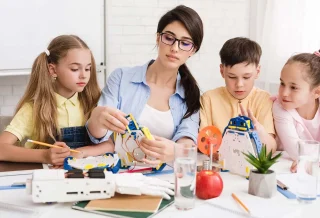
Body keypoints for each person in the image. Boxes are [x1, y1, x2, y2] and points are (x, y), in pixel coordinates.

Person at [86, 5, 204, 165]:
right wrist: (96, 119)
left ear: (193, 50)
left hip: (164, 180)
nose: (175, 48)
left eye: (185, 43)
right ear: (158, 38)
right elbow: (100, 137)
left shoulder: (190, 95)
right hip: (119, 175)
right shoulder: (121, 78)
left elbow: (187, 140)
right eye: (169, 38)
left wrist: (176, 151)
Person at [0, 35, 114, 167]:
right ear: (53, 70)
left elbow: (109, 145)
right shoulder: (34, 108)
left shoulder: (93, 104)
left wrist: (81, 152)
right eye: (75, 69)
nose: (84, 75)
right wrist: (44, 155)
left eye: (88, 68)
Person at [200, 37, 277, 152]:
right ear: (222, 71)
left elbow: (271, 148)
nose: (239, 84)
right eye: (232, 77)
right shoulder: (209, 99)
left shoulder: (264, 99)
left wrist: (258, 130)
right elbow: (203, 142)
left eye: (246, 77)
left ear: (258, 72)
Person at [273, 50, 320, 172]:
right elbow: (296, 151)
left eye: (293, 87)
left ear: (316, 92)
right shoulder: (280, 107)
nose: (284, 93)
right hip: (282, 169)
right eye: (282, 83)